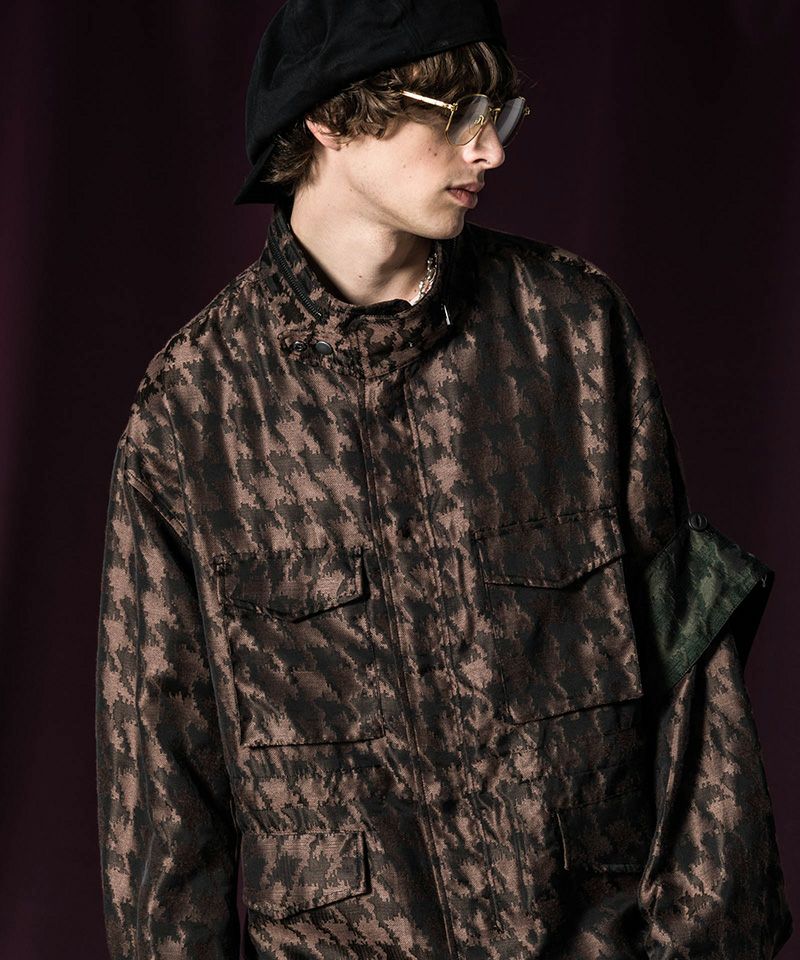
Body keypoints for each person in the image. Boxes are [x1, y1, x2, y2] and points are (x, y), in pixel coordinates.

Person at [95, 1, 793, 957]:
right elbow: (161, 814)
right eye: (456, 114)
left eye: (498, 114)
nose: (491, 151)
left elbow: (695, 683)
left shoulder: (573, 336)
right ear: (329, 118)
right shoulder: (189, 415)